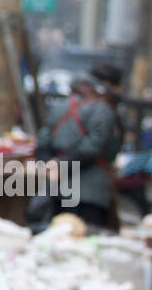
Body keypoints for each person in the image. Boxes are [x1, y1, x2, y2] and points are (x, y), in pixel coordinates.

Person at [34, 67, 123, 230]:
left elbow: (43, 141)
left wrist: (51, 164)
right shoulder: (103, 109)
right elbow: (95, 147)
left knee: (58, 236)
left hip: (60, 186)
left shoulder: (59, 107)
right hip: (91, 191)